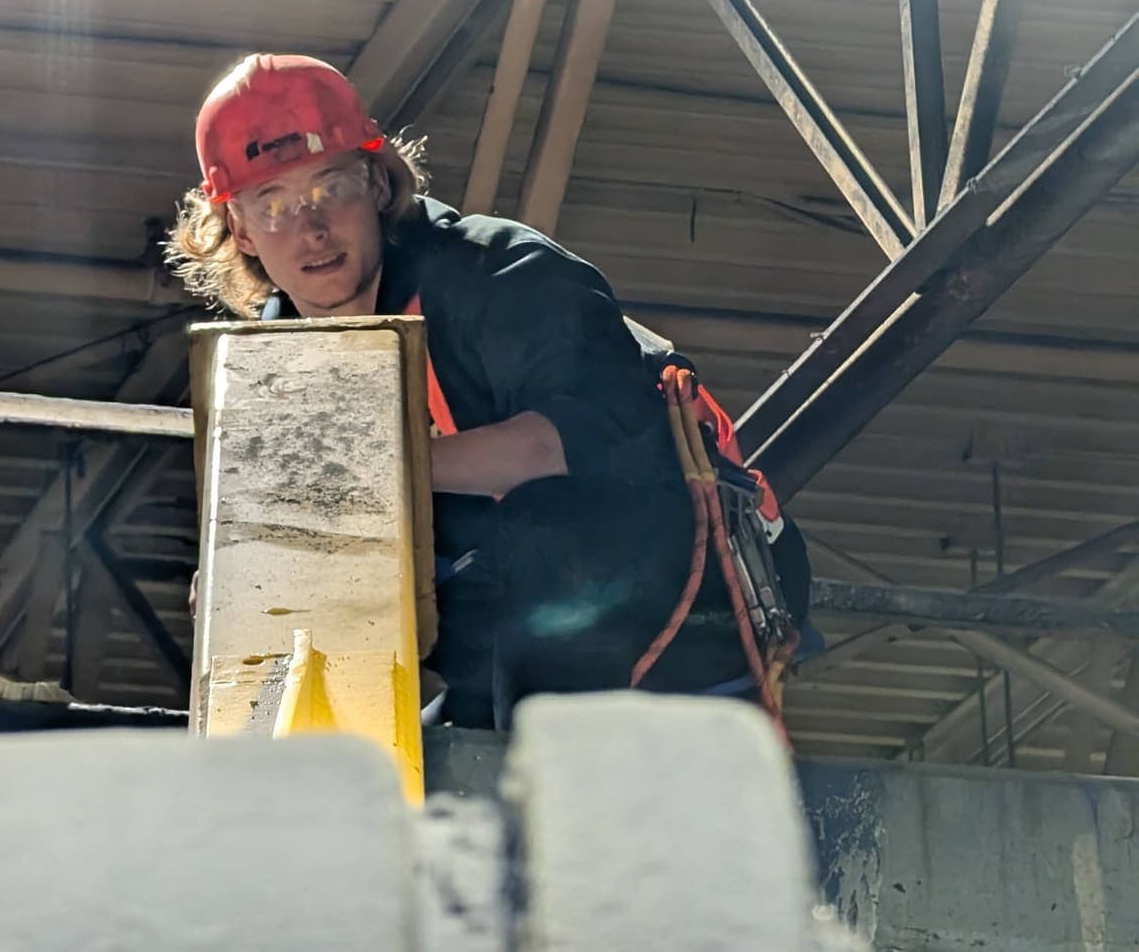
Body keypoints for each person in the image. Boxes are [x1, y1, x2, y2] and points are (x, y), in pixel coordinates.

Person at [166, 52, 810, 730]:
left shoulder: (497, 274)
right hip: (511, 632)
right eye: (274, 205)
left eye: (332, 188)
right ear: (239, 229)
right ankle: (273, 763)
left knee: (542, 520)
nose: (312, 228)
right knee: (260, 569)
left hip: (688, 596)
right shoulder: (277, 364)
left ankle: (544, 764)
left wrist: (350, 475)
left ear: (378, 185)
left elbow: (574, 443)